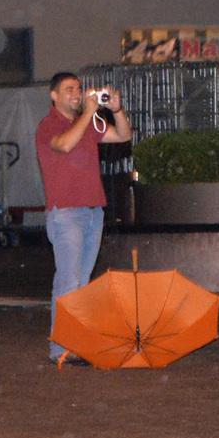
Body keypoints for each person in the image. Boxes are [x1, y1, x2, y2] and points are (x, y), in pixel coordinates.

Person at [35, 72, 132, 366]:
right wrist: (88, 113)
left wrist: (116, 109)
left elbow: (124, 135)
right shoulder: (48, 125)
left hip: (92, 211)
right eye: (69, 89)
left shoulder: (88, 122)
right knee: (68, 279)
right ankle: (61, 346)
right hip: (66, 212)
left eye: (78, 89)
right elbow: (64, 145)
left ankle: (74, 342)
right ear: (54, 96)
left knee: (80, 281)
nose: (76, 94)